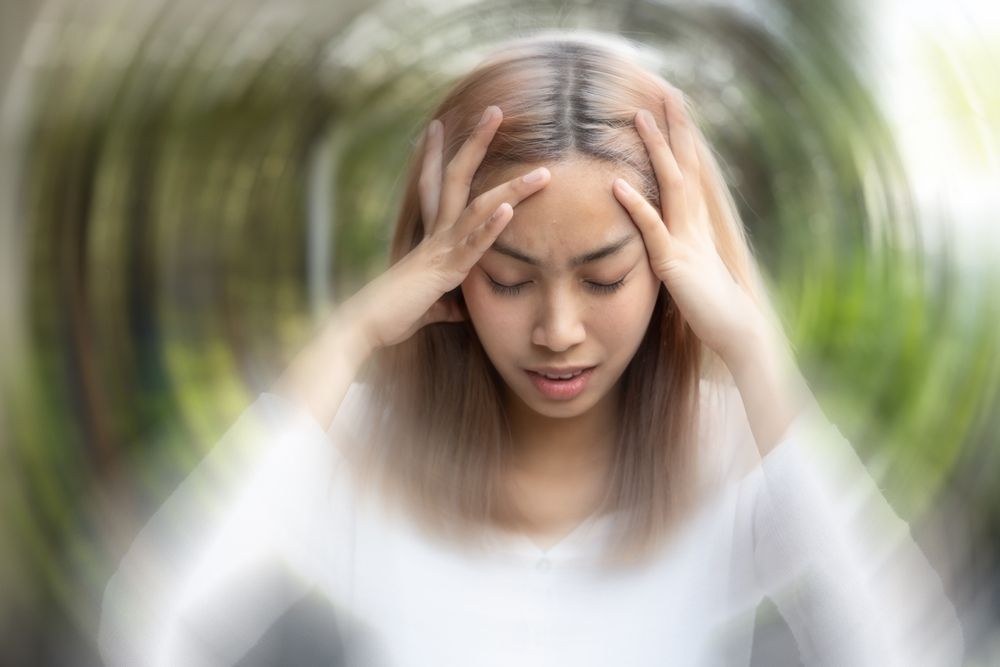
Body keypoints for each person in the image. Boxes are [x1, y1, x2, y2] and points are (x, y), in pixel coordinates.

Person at [98, 31, 964, 666]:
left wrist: (752, 351)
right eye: (508, 279)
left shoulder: (733, 452)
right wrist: (350, 334)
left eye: (604, 277)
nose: (557, 331)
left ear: (671, 269)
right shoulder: (369, 448)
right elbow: (152, 629)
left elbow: (906, 649)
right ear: (447, 268)